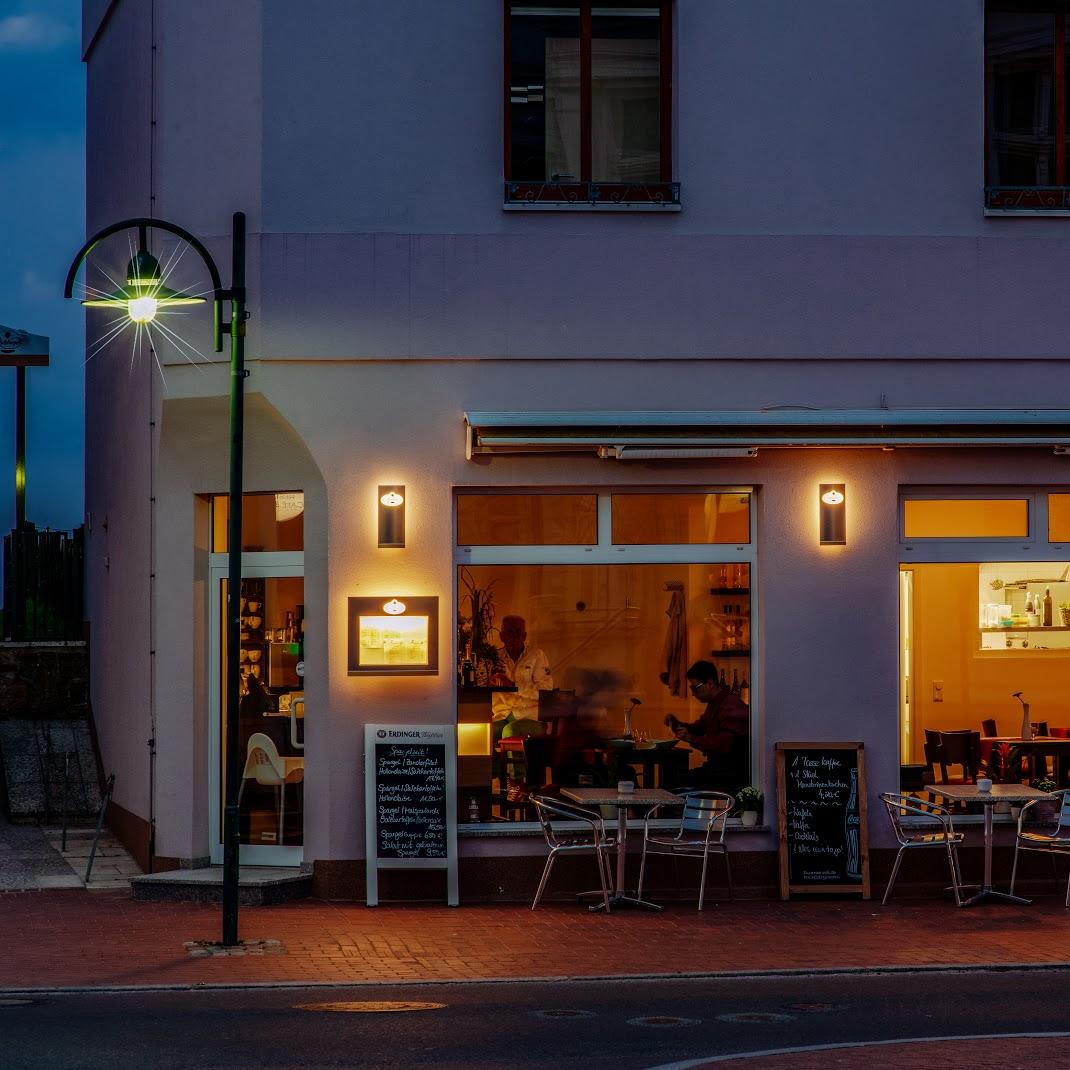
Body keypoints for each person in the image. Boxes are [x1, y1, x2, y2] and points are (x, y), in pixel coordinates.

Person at [664, 659, 749, 792]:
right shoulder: (716, 703)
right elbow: (699, 727)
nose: (692, 693)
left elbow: (723, 745)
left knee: (672, 785)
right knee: (672, 779)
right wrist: (676, 724)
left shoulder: (730, 707)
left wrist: (691, 738)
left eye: (695, 687)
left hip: (726, 775)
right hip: (717, 770)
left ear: (710, 683)